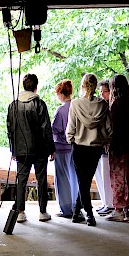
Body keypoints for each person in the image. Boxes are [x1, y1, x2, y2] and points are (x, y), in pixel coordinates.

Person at [7, 73, 56, 223]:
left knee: (21, 180)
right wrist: (51, 148)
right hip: (39, 149)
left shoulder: (13, 105)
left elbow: (10, 129)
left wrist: (13, 150)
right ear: (36, 87)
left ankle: (20, 212)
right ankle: (42, 212)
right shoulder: (39, 104)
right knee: (41, 180)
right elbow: (46, 128)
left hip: (21, 150)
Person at [66, 73, 112, 227]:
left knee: (83, 182)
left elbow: (71, 127)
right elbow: (109, 129)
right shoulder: (103, 105)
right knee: (85, 181)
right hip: (95, 148)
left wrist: (70, 139)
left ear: (83, 86)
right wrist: (104, 140)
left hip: (78, 147)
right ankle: (75, 212)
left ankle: (89, 215)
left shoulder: (75, 104)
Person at [105, 74, 129, 222]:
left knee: (117, 178)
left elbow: (113, 127)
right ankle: (126, 210)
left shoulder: (116, 104)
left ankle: (118, 210)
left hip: (117, 147)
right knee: (127, 178)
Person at [51, 79, 78, 218]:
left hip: (61, 147)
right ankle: (75, 206)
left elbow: (55, 129)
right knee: (74, 177)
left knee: (62, 178)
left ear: (61, 93)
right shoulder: (77, 106)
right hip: (75, 147)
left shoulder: (61, 110)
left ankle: (66, 209)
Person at [94, 79, 115, 216]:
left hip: (108, 145)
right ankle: (105, 202)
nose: (102, 94)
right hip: (100, 145)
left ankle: (110, 204)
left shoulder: (111, 107)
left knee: (107, 176)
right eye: (100, 91)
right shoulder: (102, 106)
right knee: (100, 175)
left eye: (105, 91)